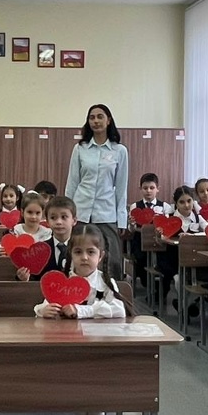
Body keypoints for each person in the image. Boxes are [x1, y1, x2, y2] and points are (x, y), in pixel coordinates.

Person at [33, 225, 125, 415]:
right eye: (78, 252)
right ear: (70, 255)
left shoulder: (105, 282)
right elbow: (41, 306)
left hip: (98, 353)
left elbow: (118, 310)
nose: (84, 257)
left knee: (97, 397)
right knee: (76, 396)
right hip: (67, 352)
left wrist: (84, 311)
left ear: (101, 256)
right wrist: (42, 310)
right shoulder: (61, 281)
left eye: (91, 252)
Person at [65, 103, 129, 281]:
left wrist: (121, 218)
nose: (96, 121)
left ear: (108, 121)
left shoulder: (120, 150)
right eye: (92, 117)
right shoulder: (80, 148)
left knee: (112, 261)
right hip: (81, 211)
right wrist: (67, 214)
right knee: (78, 259)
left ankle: (111, 295)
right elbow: (72, 183)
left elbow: (121, 187)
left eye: (100, 117)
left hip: (106, 213)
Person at [16, 195, 77, 280]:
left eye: (64, 217)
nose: (59, 222)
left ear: (74, 220)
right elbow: (34, 277)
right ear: (47, 221)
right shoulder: (40, 249)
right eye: (53, 218)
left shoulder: (81, 248)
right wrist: (24, 278)